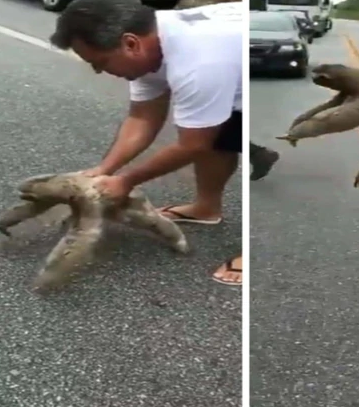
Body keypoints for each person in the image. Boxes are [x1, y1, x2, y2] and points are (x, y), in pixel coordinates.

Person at [50, 0, 244, 285]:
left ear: (130, 44)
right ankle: (206, 208)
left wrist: (125, 182)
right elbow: (142, 118)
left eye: (100, 63)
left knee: (215, 132)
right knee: (215, 130)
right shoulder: (148, 42)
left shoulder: (199, 61)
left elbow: (193, 144)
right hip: (229, 64)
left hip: (250, 69)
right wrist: (105, 169)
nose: (98, 72)